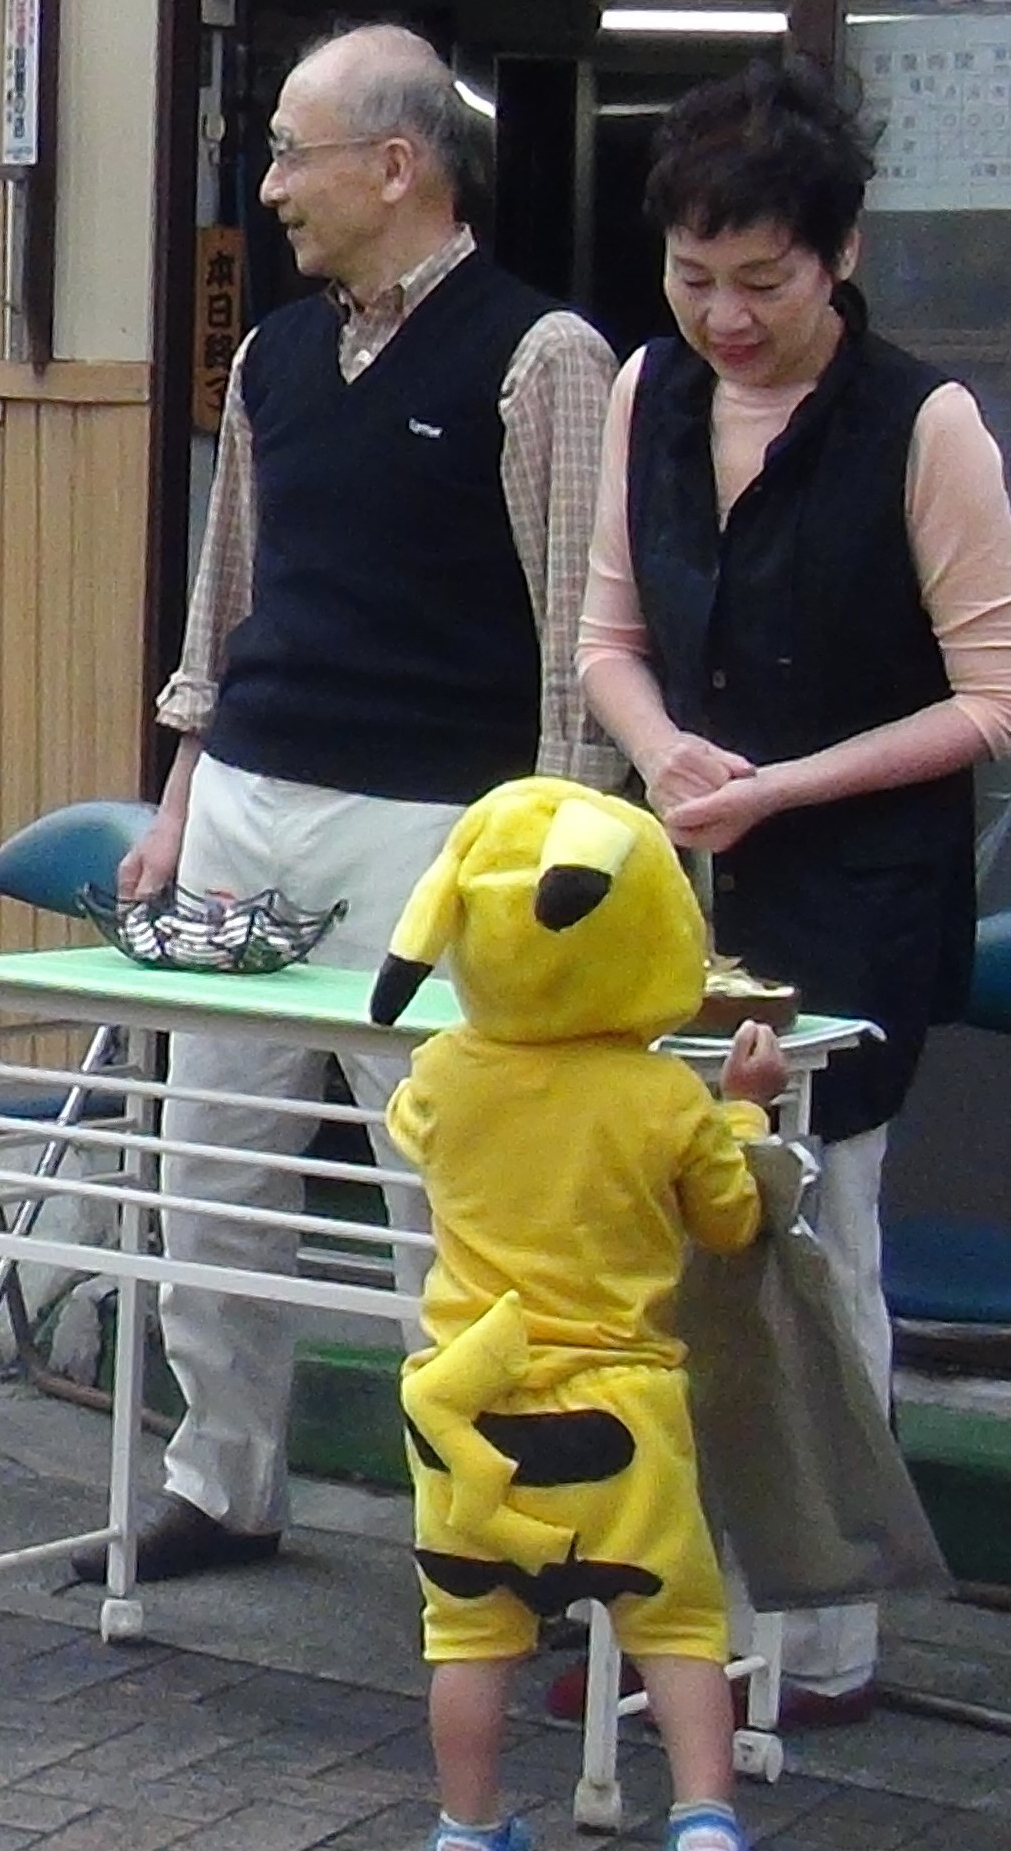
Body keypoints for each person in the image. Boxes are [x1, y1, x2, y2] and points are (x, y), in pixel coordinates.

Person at [100, 21, 617, 1584]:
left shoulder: (543, 357)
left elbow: (580, 636)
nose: (266, 188)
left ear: (395, 166)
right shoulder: (269, 354)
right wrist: (176, 798)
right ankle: (221, 1477)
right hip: (250, 792)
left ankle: (484, 1518)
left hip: (441, 825)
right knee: (210, 1164)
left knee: (444, 1196)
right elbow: (226, 602)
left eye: (287, 155)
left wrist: (564, 857)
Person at [576, 51, 1011, 1721]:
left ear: (839, 257)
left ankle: (822, 1641)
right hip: (683, 884)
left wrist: (780, 785)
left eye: (763, 282)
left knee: (813, 1240)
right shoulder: (647, 391)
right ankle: (672, 1617)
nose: (725, 316)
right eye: (692, 277)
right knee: (654, 1235)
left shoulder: (922, 424)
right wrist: (664, 754)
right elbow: (605, 636)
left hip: (852, 896)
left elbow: (1007, 700)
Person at [370, 779, 782, 1851]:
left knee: (467, 1639)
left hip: (468, 1413)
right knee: (677, 1625)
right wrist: (747, 1115)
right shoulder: (665, 1098)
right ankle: (703, 1819)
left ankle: (468, 1827)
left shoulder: (441, 1074)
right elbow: (731, 1222)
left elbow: (417, 1128)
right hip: (621, 1410)